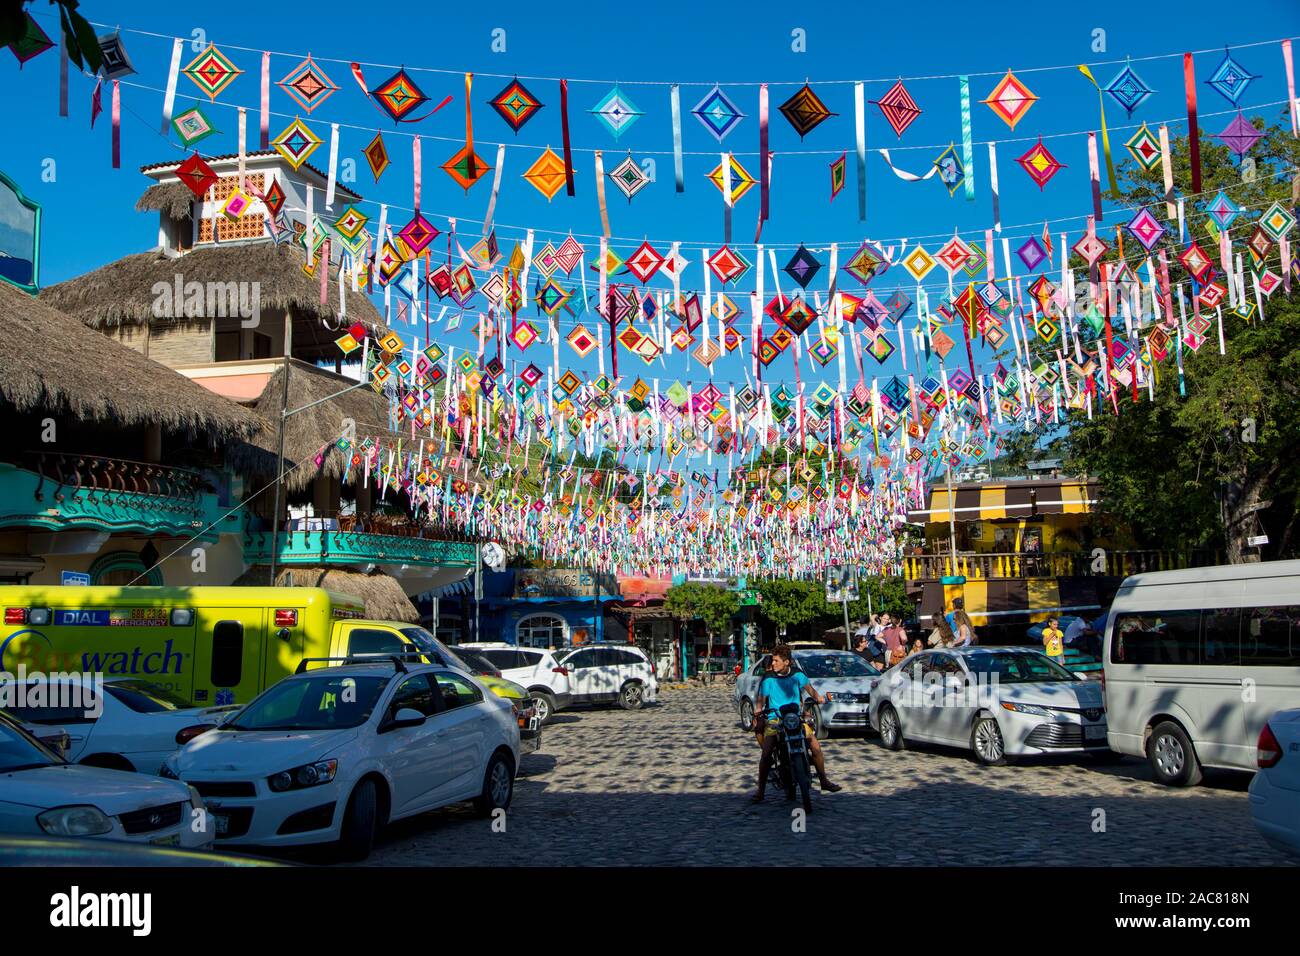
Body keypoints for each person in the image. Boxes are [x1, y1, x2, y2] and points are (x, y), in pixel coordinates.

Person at [751, 644, 840, 803]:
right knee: (766, 753)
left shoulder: (798, 675)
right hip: (775, 719)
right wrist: (758, 711)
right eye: (773, 660)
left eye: (776, 661)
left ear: (787, 662)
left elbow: (811, 691)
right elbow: (760, 701)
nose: (773, 663)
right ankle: (761, 791)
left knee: (815, 745)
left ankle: (824, 780)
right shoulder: (768, 679)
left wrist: (818, 698)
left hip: (795, 717)